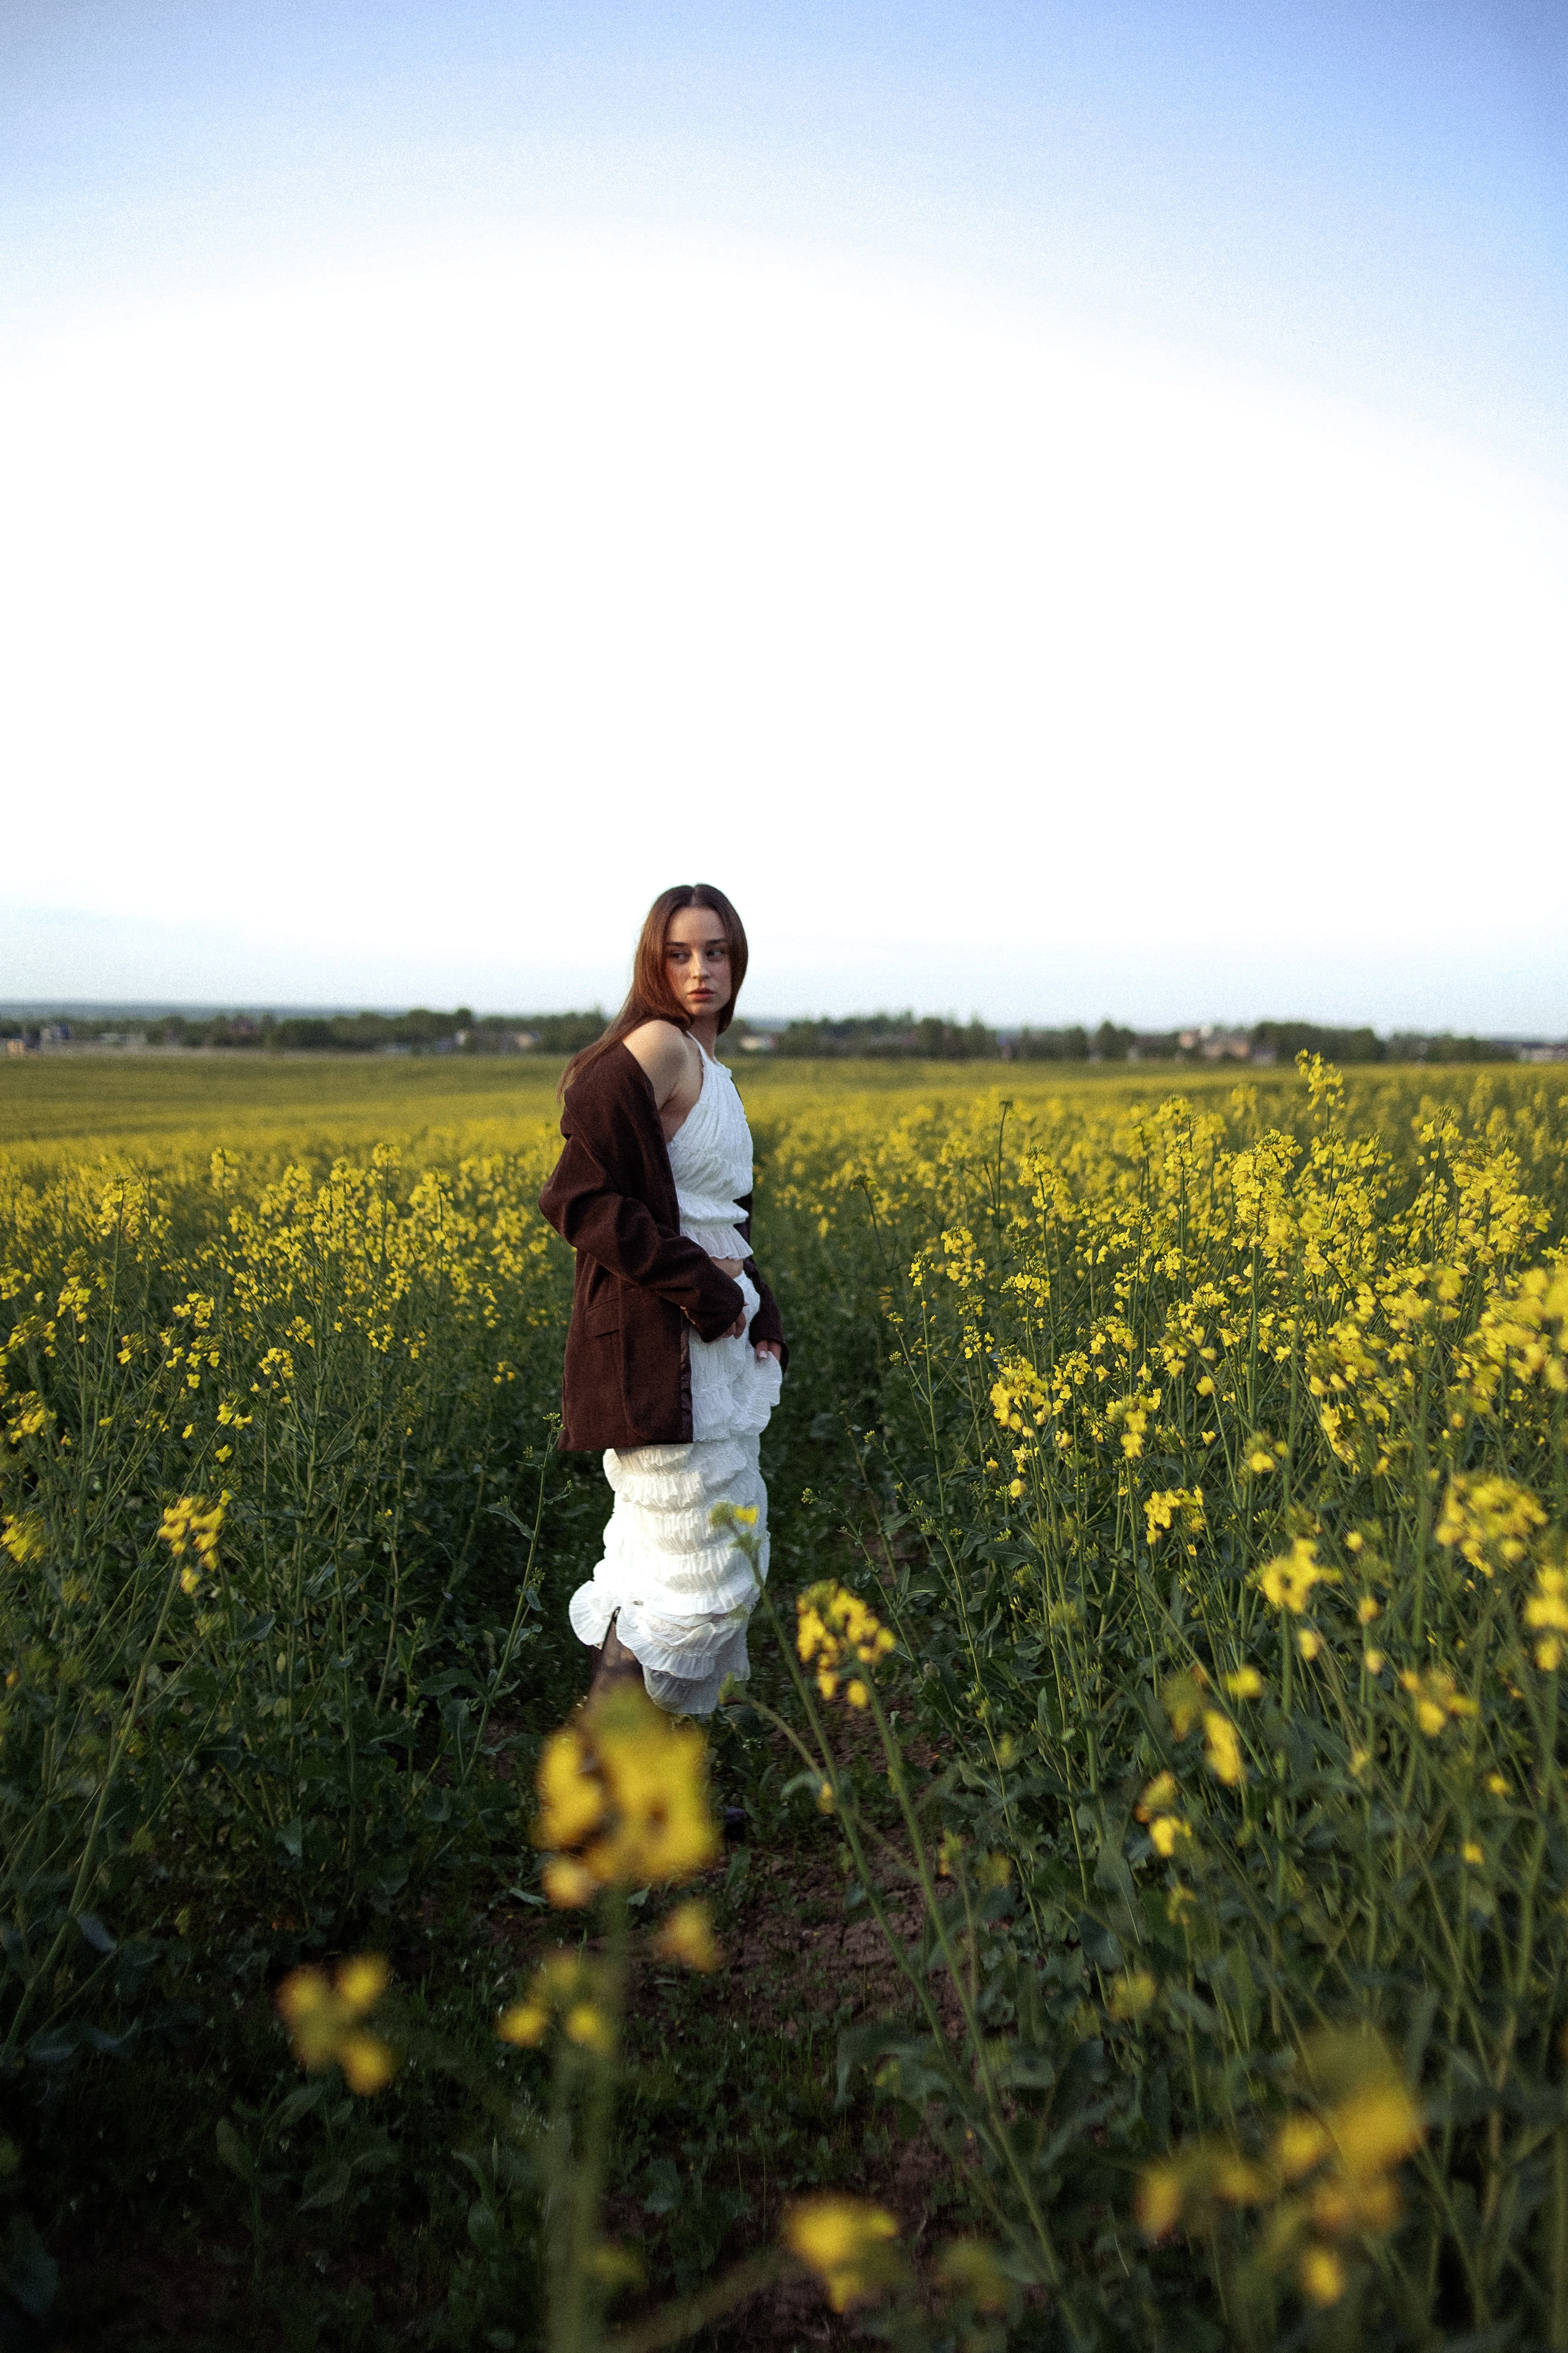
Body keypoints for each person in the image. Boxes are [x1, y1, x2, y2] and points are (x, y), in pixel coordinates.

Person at [538, 884, 786, 1714]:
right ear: (654, 961)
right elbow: (577, 1195)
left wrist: (760, 1315)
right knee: (691, 1586)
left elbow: (724, 1219)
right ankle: (605, 1806)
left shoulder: (708, 1064)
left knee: (692, 1574)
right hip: (665, 1352)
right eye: (679, 953)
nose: (700, 969)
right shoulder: (661, 1048)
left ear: (737, 957)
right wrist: (705, 1291)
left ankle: (648, 1807)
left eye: (715, 951)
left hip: (711, 1363)